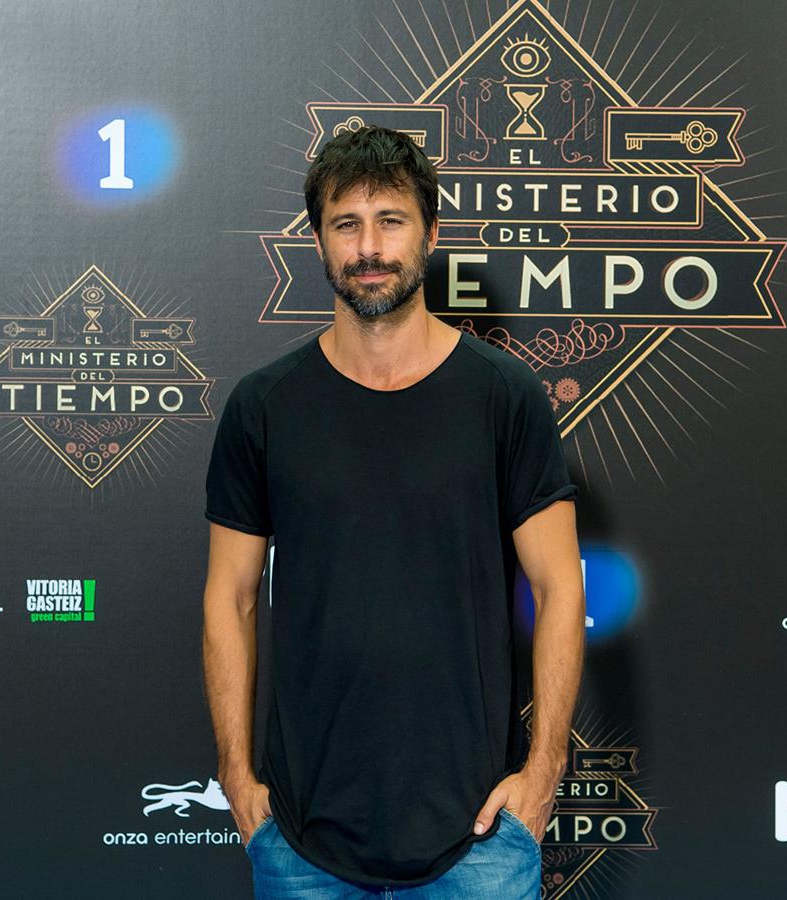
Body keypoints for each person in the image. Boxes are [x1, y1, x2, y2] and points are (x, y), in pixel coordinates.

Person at [202, 125, 585, 898]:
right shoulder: (264, 407)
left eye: (391, 220)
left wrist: (543, 772)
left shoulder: (504, 396)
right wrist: (238, 777)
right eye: (346, 224)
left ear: (432, 234)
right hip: (302, 844)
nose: (368, 246)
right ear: (318, 241)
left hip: (477, 843)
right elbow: (230, 595)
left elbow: (559, 588)